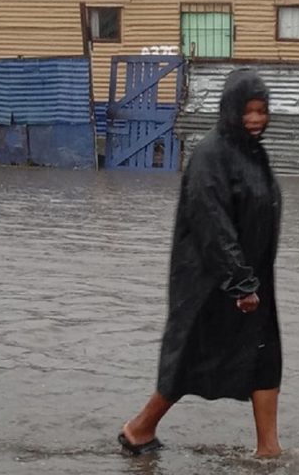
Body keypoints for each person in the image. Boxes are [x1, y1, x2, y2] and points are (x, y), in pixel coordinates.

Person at [119, 69, 284, 458]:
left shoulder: (253, 153)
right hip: (211, 283)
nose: (257, 119)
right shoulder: (211, 155)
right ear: (230, 111)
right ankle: (138, 429)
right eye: (248, 111)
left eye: (262, 111)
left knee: (266, 358)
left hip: (254, 281)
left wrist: (252, 281)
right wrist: (239, 283)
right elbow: (213, 224)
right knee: (190, 359)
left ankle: (269, 450)